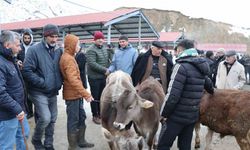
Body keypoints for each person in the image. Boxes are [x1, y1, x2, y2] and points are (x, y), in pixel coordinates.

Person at [158, 39, 214, 150]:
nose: (176, 53)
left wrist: (164, 113)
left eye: (177, 50)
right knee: (185, 146)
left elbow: (173, 95)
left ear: (180, 50)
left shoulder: (181, 66)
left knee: (163, 145)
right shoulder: (200, 65)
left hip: (176, 116)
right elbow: (210, 88)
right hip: (192, 116)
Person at [22, 24, 63, 150]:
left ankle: (48, 144)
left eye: (56, 36)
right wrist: (43, 82)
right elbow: (27, 70)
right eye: (51, 36)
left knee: (53, 119)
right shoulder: (34, 50)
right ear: (45, 36)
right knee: (45, 117)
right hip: (38, 91)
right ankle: (36, 139)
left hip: (52, 91)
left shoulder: (58, 50)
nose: (54, 39)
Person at [60, 34, 94, 149]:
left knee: (81, 117)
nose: (79, 46)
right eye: (77, 44)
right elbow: (73, 80)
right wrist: (86, 94)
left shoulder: (70, 56)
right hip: (72, 96)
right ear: (71, 45)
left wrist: (82, 93)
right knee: (73, 120)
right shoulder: (68, 59)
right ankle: (73, 146)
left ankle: (81, 141)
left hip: (76, 94)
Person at [0, 31, 30, 150]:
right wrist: (17, 109)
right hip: (7, 114)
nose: (20, 48)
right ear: (7, 45)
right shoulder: (1, 63)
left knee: (23, 135)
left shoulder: (9, 59)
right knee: (6, 145)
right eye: (17, 45)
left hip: (17, 110)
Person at [86, 31, 112, 124]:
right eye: (98, 39)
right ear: (95, 40)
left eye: (102, 38)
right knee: (95, 97)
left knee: (102, 95)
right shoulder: (91, 50)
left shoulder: (104, 48)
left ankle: (101, 113)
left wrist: (109, 68)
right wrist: (105, 70)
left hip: (102, 77)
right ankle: (95, 115)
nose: (100, 40)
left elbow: (107, 60)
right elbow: (92, 64)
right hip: (94, 78)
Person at [17, 28, 35, 119]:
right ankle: (29, 112)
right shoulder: (19, 47)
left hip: (33, 73)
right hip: (23, 75)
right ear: (23, 38)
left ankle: (37, 112)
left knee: (35, 94)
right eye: (25, 38)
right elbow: (15, 57)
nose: (27, 40)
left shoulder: (34, 47)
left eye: (28, 38)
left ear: (31, 38)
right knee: (25, 94)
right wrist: (18, 61)